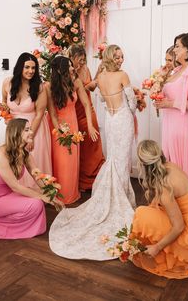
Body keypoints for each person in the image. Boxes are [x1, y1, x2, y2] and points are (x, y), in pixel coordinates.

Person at [49, 44, 137, 260]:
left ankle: (112, 195)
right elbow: (132, 104)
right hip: (122, 117)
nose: (120, 59)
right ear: (109, 57)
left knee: (115, 157)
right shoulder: (123, 75)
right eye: (117, 56)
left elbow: (91, 91)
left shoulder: (101, 77)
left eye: (122, 55)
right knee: (122, 159)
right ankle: (122, 198)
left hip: (110, 118)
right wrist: (136, 103)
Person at [130, 139, 188, 279]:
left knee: (141, 213)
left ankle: (166, 253)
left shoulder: (164, 186)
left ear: (142, 164)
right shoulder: (170, 166)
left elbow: (179, 226)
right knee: (151, 209)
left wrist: (157, 247)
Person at [154, 33, 188, 210]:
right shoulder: (176, 70)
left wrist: (170, 103)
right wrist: (160, 81)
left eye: (178, 46)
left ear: (187, 49)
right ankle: (173, 209)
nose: (175, 49)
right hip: (170, 126)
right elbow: (166, 92)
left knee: (184, 167)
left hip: (185, 127)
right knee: (171, 165)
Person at [0, 118, 63, 239]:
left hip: (8, 195)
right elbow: (15, 186)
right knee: (36, 203)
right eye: (27, 129)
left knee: (38, 195)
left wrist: (52, 196)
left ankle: (7, 220)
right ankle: (0, 225)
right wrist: (43, 197)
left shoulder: (24, 154)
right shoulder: (0, 156)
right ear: (16, 132)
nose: (31, 132)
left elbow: (38, 177)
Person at [45, 56, 99, 204]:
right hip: (58, 128)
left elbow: (87, 105)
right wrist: (61, 133)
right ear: (58, 69)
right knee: (60, 161)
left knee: (71, 161)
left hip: (73, 125)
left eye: (70, 65)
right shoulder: (48, 87)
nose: (71, 68)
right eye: (68, 65)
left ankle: (71, 193)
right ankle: (59, 195)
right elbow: (52, 113)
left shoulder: (76, 82)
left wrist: (90, 125)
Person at [2, 52, 52, 188]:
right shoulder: (8, 83)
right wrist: (6, 116)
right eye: (27, 67)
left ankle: (38, 195)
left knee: (33, 161)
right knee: (14, 159)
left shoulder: (39, 87)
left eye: (33, 68)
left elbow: (40, 114)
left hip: (34, 129)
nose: (31, 71)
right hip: (14, 130)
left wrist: (29, 136)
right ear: (20, 68)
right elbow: (4, 105)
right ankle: (18, 192)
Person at [68, 44, 105, 191]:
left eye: (84, 60)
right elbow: (82, 89)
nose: (83, 63)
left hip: (89, 110)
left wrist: (98, 73)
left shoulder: (85, 69)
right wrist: (93, 83)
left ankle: (96, 176)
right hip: (75, 111)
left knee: (95, 144)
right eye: (80, 60)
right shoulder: (68, 73)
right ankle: (83, 181)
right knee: (82, 147)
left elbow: (92, 87)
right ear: (72, 58)